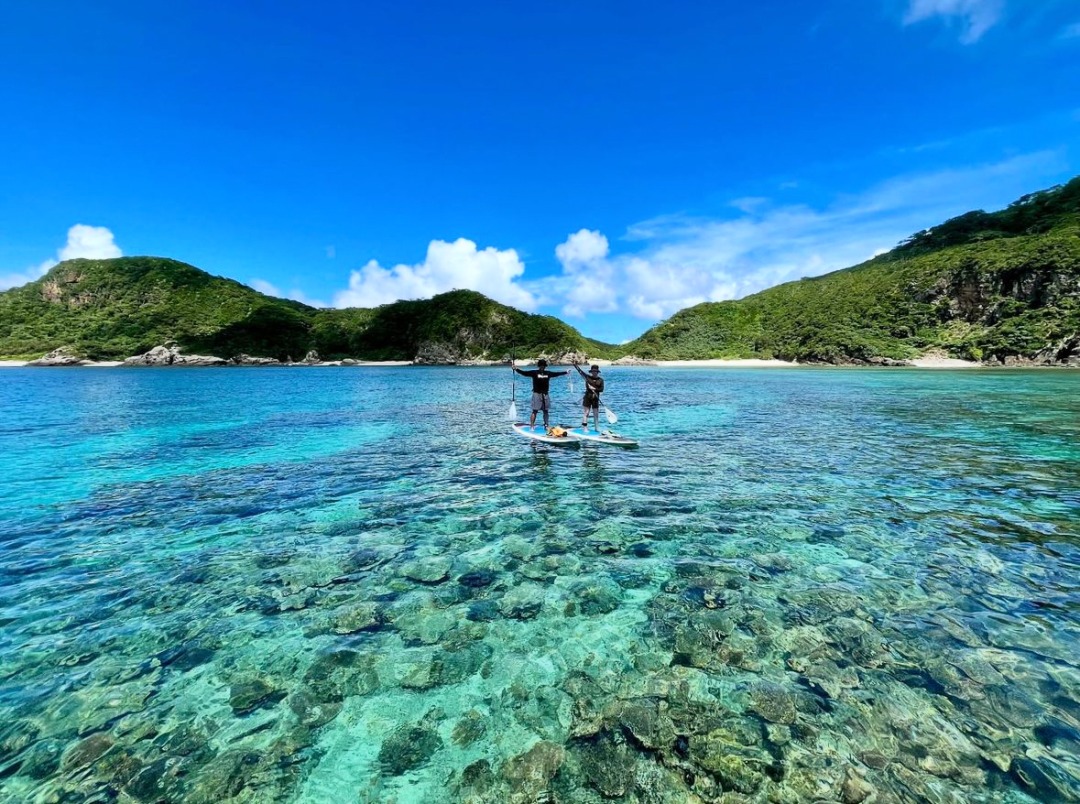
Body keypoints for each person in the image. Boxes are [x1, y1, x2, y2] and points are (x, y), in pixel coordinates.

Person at [512, 358, 569, 428]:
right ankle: (532, 426)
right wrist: (516, 369)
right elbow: (524, 373)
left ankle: (546, 424)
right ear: (539, 366)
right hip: (537, 394)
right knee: (535, 411)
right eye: (541, 366)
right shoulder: (534, 373)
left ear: (545, 366)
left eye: (543, 366)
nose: (542, 367)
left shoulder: (548, 373)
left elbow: (556, 374)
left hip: (545, 394)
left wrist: (566, 372)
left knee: (546, 411)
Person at [573, 362, 605, 430]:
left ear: (597, 372)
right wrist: (575, 365)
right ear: (591, 371)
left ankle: (596, 428)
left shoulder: (600, 380)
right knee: (586, 413)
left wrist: (595, 389)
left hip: (595, 398)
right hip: (587, 397)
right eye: (593, 371)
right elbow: (580, 371)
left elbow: (601, 389)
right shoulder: (587, 377)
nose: (594, 372)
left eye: (595, 371)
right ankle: (584, 427)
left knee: (596, 414)